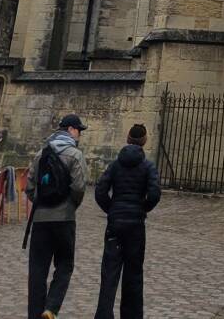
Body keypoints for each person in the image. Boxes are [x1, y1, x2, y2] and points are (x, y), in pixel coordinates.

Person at [94, 123, 161, 319]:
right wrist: (143, 208)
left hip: (115, 224)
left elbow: (100, 191)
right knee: (134, 275)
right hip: (135, 226)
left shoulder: (115, 164)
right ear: (144, 141)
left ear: (128, 139)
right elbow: (155, 193)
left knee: (109, 274)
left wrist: (112, 209)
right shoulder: (148, 166)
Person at [26, 112, 88, 319]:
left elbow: (29, 186)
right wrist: (71, 205)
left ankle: (35, 314)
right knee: (65, 264)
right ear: (70, 130)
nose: (79, 134)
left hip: (40, 220)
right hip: (65, 219)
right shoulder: (75, 154)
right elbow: (79, 187)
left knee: (37, 269)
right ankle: (51, 308)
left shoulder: (41, 153)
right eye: (78, 130)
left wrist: (41, 203)